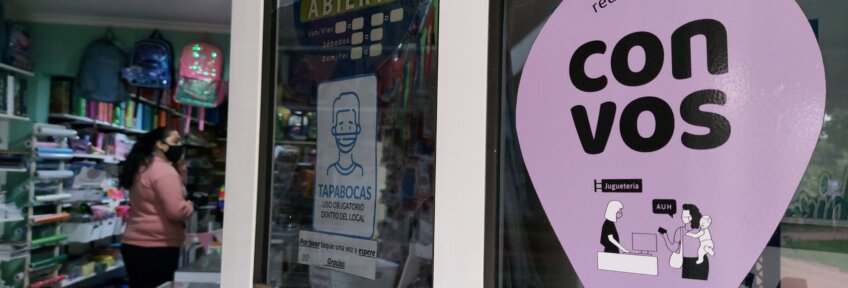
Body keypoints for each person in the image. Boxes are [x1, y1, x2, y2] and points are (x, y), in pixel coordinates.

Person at [119, 128, 194, 288]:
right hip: (158, 246)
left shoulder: (143, 166)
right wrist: (190, 206)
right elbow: (176, 211)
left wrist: (180, 171)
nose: (180, 145)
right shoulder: (164, 171)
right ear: (160, 144)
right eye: (175, 142)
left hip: (134, 243)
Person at [660, 203, 709, 280]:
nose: (682, 217)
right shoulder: (680, 231)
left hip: (701, 262)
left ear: (691, 217)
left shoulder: (701, 227)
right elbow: (673, 248)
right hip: (687, 262)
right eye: (682, 216)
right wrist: (665, 236)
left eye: (684, 216)